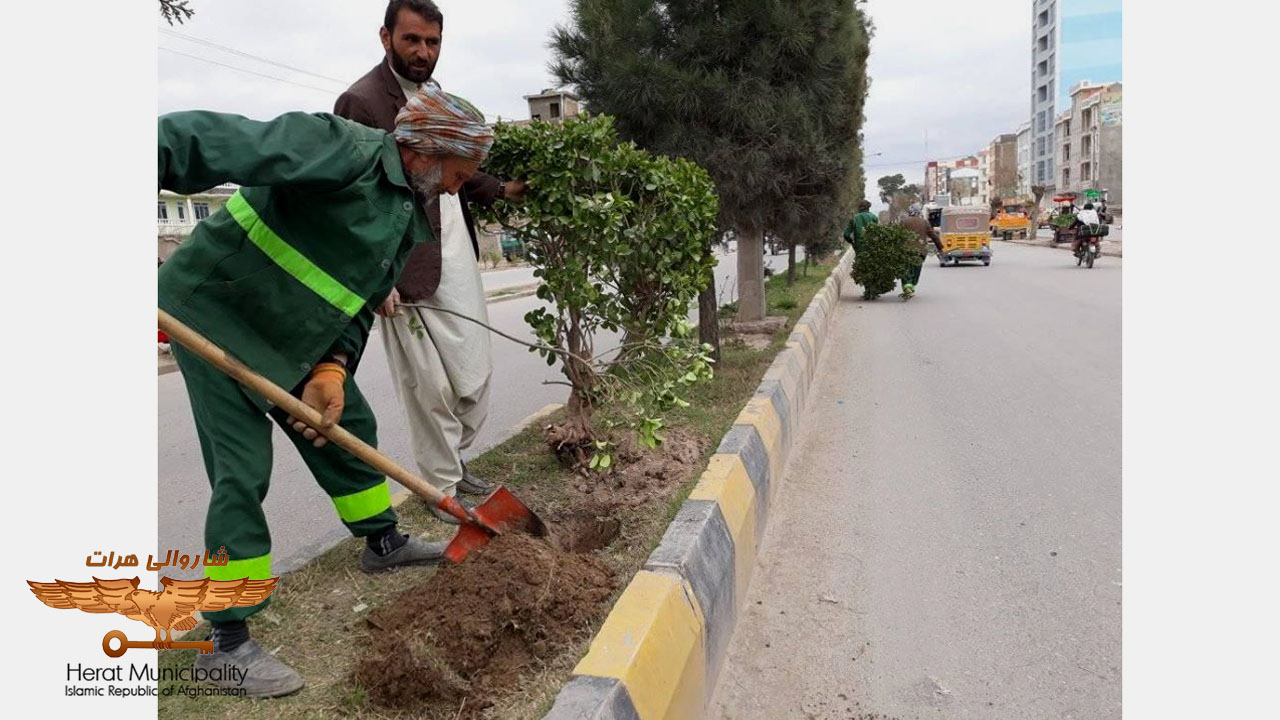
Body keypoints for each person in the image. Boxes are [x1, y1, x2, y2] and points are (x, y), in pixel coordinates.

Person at [158, 84, 494, 697]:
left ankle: (382, 542)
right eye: (456, 173)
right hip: (214, 310)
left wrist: (334, 367)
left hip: (294, 336)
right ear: (426, 151)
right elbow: (213, 139)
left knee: (346, 429)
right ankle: (224, 640)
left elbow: (359, 302)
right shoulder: (341, 149)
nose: (455, 188)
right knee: (242, 469)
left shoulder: (406, 220)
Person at [335, 0, 528, 525]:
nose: (423, 52)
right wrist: (376, 275)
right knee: (429, 384)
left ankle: (455, 461)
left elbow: (459, 166)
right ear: (386, 37)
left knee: (474, 369)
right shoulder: (362, 101)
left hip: (455, 252)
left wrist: (505, 189)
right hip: (404, 264)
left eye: (433, 42)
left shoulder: (438, 97)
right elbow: (351, 198)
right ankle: (439, 486)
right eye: (413, 40)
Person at [896, 206, 944, 300]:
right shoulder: (924, 222)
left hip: (905, 250)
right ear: (919, 213)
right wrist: (940, 248)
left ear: (910, 212)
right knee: (916, 268)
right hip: (920, 251)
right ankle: (912, 286)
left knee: (905, 267)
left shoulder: (903, 221)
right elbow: (933, 236)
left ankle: (906, 286)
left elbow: (896, 234)